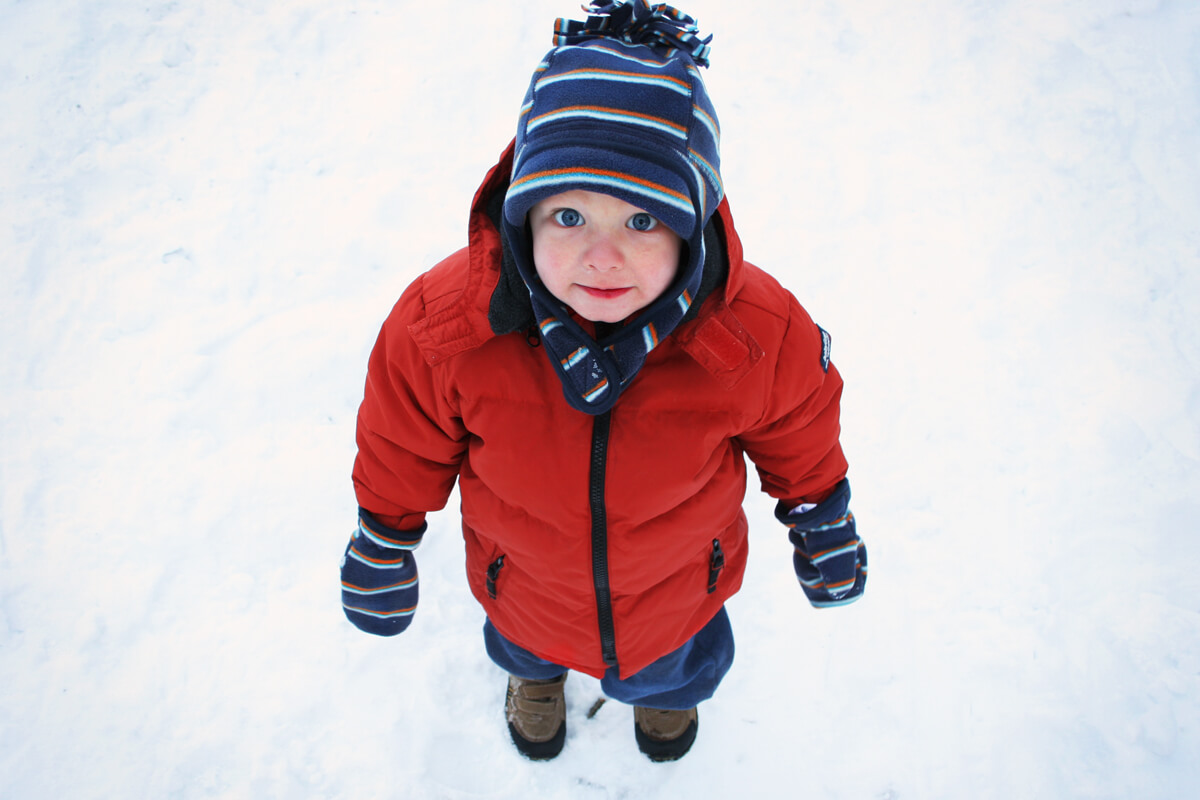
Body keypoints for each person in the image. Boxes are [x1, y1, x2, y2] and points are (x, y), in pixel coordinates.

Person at [340, 0, 867, 763]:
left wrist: (821, 517)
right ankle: (537, 681)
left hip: (675, 591)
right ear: (522, 213)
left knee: (675, 666)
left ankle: (665, 700)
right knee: (524, 641)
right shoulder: (450, 326)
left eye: (642, 221)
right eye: (568, 217)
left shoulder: (750, 333)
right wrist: (383, 538)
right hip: (523, 580)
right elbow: (402, 439)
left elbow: (800, 429)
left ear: (692, 220)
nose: (602, 255)